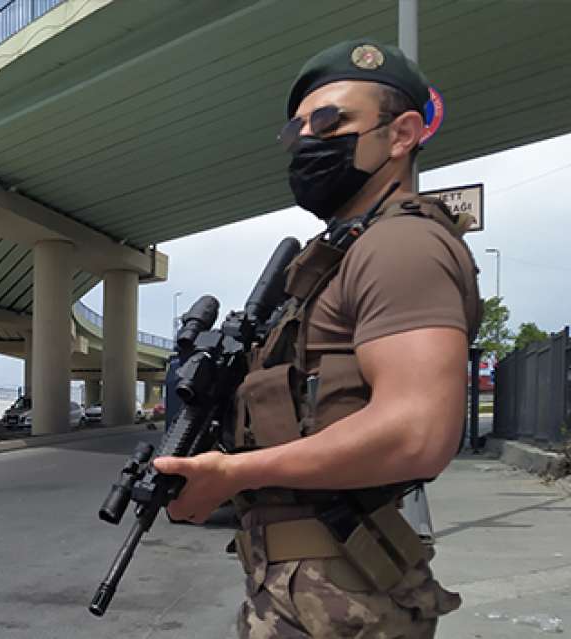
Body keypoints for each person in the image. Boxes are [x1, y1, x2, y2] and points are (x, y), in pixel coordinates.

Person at [152, 39, 480, 637]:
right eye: (298, 129)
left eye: (331, 121)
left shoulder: (401, 246)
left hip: (347, 595)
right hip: (309, 588)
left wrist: (238, 472)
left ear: (402, 134)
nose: (307, 139)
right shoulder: (341, 254)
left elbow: (417, 433)